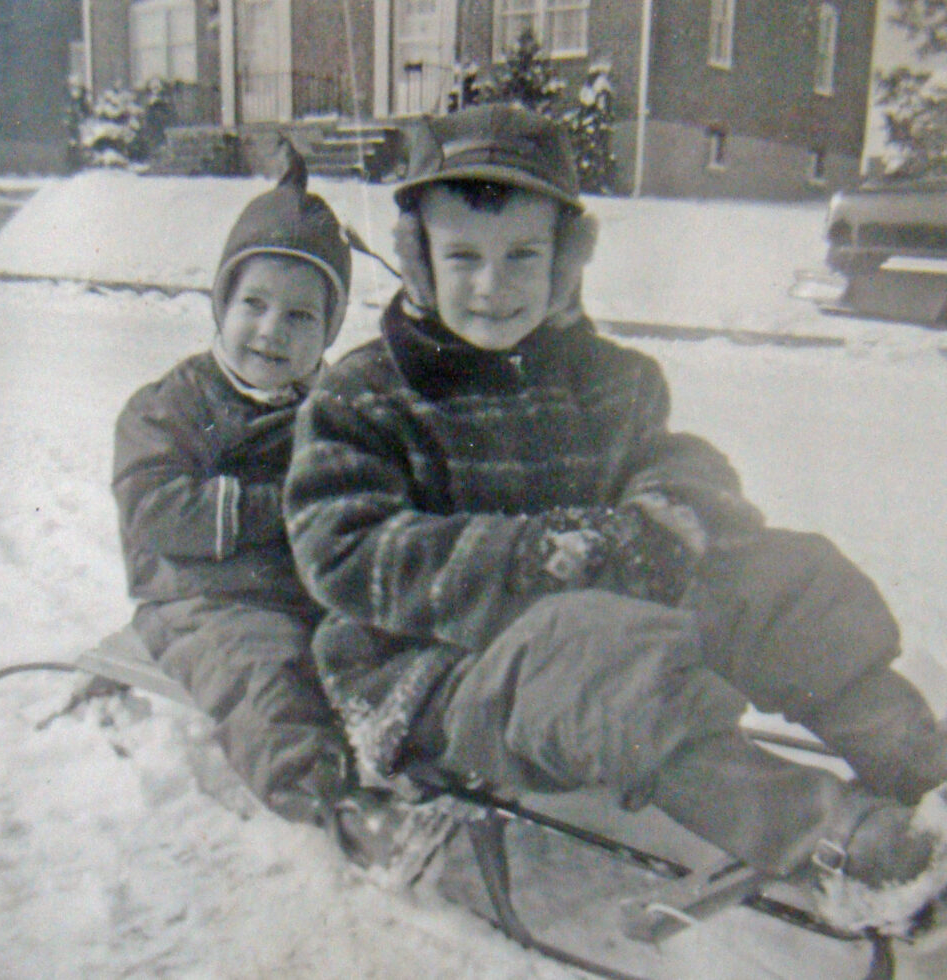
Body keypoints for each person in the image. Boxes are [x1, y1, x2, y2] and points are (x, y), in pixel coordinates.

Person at [283, 103, 947, 935]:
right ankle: (845, 845)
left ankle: (922, 763)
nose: (494, 286)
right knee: (597, 659)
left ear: (566, 261)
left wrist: (670, 517)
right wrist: (528, 558)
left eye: (523, 255)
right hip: (432, 679)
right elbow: (340, 548)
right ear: (420, 264)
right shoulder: (367, 395)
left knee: (778, 577)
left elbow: (673, 460)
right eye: (464, 258)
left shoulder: (614, 378)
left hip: (602, 634)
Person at [112, 160, 355, 827]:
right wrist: (277, 507)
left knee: (377, 645)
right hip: (201, 594)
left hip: (303, 589)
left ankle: (419, 755)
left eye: (301, 315)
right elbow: (153, 505)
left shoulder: (335, 408)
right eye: (254, 304)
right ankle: (325, 798)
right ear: (223, 304)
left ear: (327, 332)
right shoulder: (175, 403)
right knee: (262, 677)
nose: (272, 329)